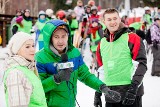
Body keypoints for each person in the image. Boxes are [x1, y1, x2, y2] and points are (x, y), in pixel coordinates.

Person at [34, 19, 121, 107]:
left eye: (63, 36)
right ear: (49, 38)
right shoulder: (40, 58)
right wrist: (56, 79)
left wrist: (102, 87)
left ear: (68, 37)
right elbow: (37, 89)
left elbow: (86, 76)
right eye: (56, 37)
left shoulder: (74, 53)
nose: (61, 41)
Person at [94, 8, 147, 107]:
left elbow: (141, 65)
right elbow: (101, 70)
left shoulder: (132, 38)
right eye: (109, 19)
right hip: (111, 94)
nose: (113, 22)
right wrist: (98, 93)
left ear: (119, 19)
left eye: (115, 18)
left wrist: (134, 88)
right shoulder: (102, 43)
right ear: (104, 22)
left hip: (130, 93)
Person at [3, 32, 47, 107]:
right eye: (27, 47)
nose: (32, 49)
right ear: (17, 50)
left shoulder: (28, 69)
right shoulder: (15, 73)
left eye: (33, 46)